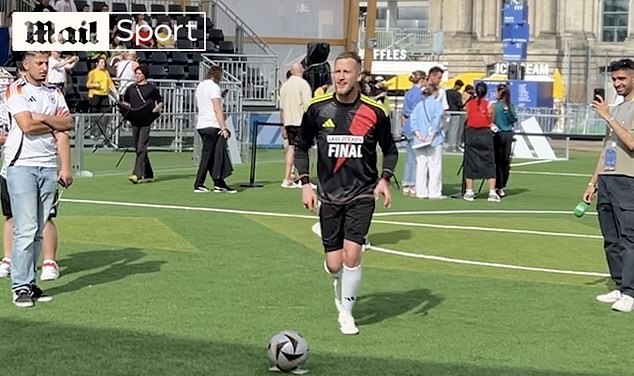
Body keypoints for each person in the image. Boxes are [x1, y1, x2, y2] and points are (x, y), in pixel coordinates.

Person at [294, 51, 398, 335]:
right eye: (337, 71)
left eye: (346, 72)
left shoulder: (375, 112)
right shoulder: (317, 108)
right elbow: (301, 146)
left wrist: (384, 179)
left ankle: (347, 315)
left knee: (352, 256)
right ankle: (337, 279)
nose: (340, 77)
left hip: (362, 194)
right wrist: (305, 183)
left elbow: (389, 150)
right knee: (334, 263)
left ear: (358, 76)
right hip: (328, 195)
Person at [4, 51, 73, 307]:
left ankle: (30, 283)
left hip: (47, 166)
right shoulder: (16, 89)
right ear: (26, 65)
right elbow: (26, 126)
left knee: (37, 231)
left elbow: (69, 124)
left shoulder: (54, 92)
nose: (45, 68)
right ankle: (20, 286)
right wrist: (54, 124)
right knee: (26, 228)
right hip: (21, 165)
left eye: (46, 63)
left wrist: (44, 118)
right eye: (39, 63)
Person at [585, 58, 634, 313]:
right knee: (611, 238)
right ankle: (618, 284)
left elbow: (632, 143)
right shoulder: (615, 109)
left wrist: (608, 117)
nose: (617, 84)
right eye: (614, 79)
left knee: (629, 237)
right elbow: (608, 149)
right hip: (607, 179)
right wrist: (593, 181)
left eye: (622, 79)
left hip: (628, 180)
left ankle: (630, 291)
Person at [193, 65, 237, 193]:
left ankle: (219, 183)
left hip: (202, 123)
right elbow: (217, 108)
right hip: (212, 124)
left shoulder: (201, 86)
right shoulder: (214, 87)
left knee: (212, 155)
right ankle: (199, 183)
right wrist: (224, 127)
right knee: (209, 155)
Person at [119, 65, 163, 184]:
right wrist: (122, 106)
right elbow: (126, 102)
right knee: (138, 147)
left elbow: (160, 101)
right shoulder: (131, 88)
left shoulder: (151, 88)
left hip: (146, 119)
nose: (137, 76)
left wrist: (157, 108)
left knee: (141, 146)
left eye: (139, 73)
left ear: (145, 74)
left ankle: (137, 174)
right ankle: (148, 173)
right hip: (134, 119)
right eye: (136, 73)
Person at [463, 82, 500, 202]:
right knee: (489, 162)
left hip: (471, 133)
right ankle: (492, 192)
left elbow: (466, 117)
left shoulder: (469, 104)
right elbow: (491, 119)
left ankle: (469, 191)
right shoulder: (489, 105)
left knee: (470, 162)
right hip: (484, 134)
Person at [279, 63, 312, 188]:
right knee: (302, 150)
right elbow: (308, 106)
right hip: (300, 121)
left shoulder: (285, 86)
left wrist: (283, 125)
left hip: (289, 121)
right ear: (301, 70)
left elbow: (281, 108)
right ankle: (302, 179)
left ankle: (287, 177)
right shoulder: (303, 84)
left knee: (291, 148)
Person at [410, 85, 445, 199]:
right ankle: (434, 192)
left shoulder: (419, 105)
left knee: (421, 166)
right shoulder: (437, 105)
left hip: (419, 140)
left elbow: (413, 121)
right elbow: (437, 121)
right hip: (434, 140)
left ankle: (421, 191)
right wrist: (431, 135)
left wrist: (419, 135)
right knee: (435, 166)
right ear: (434, 92)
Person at [400, 70, 426, 196]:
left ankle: (406, 183)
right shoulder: (419, 94)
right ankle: (413, 183)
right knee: (416, 158)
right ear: (421, 80)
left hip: (408, 126)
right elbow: (418, 112)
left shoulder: (409, 93)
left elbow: (405, 111)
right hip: (416, 127)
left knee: (409, 157)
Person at [490, 83, 517, 198]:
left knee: (501, 162)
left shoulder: (507, 106)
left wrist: (507, 111)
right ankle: (499, 186)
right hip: (500, 133)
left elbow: (513, 119)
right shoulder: (496, 106)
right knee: (502, 162)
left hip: (503, 134)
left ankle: (500, 186)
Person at [86, 57, 117, 139]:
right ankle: (93, 132)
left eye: (104, 63)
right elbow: (88, 84)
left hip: (104, 95)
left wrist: (115, 92)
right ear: (97, 63)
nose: (103, 64)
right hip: (95, 95)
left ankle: (102, 132)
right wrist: (95, 85)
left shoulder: (106, 72)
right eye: (101, 62)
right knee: (94, 115)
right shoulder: (92, 73)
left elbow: (110, 83)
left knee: (106, 114)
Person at [445, 79, 464, 152]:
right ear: (458, 86)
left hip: (448, 112)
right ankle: (453, 145)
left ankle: (448, 144)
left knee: (448, 129)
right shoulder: (458, 94)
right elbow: (459, 104)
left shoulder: (447, 92)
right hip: (456, 113)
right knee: (454, 129)